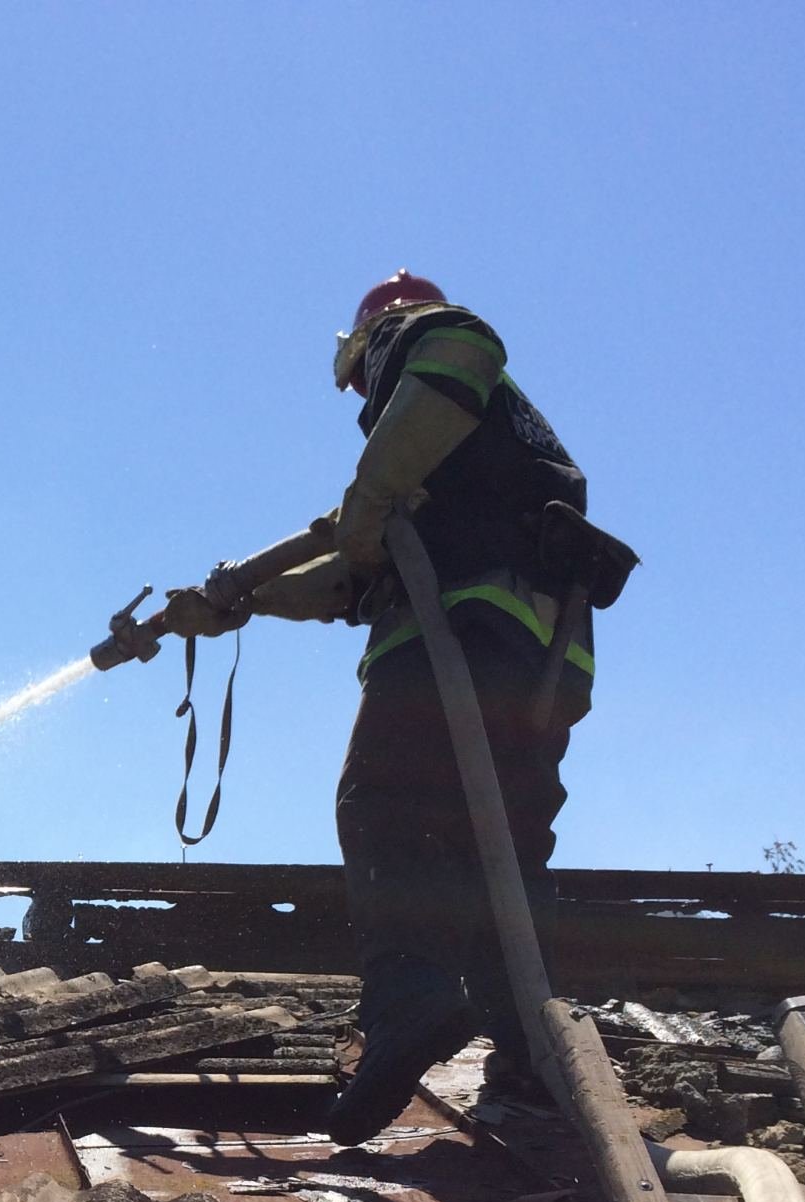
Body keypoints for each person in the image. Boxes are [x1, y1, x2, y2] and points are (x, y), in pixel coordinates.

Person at [171, 271, 605, 1142]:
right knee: (501, 857)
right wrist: (240, 604)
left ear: (369, 344)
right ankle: (529, 1061)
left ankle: (408, 998)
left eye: (361, 379)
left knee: (382, 802)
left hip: (455, 636)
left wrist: (365, 502)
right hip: (541, 664)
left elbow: (458, 352)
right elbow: (348, 579)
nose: (363, 396)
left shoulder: (431, 341)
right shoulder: (454, 469)